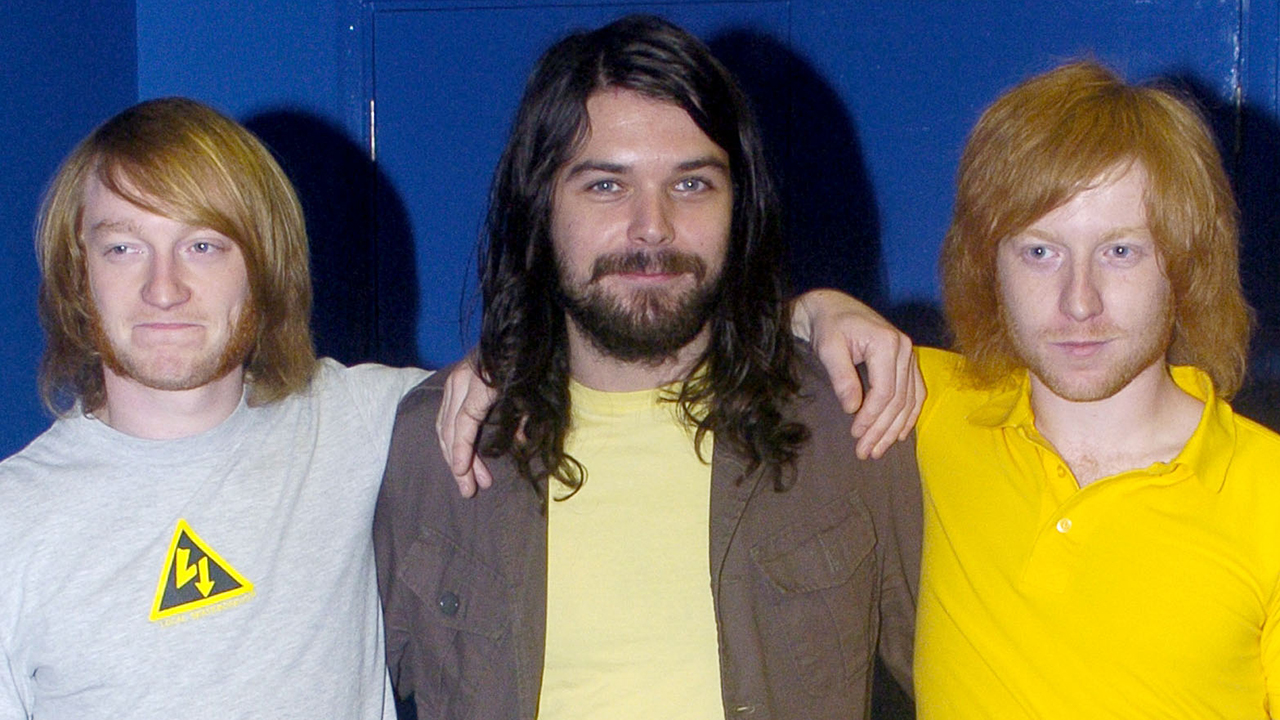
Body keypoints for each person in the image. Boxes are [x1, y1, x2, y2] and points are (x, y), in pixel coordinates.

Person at [374, 15, 922, 719]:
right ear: (541, 207)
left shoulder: (853, 419)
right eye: (606, 186)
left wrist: (809, 312)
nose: (653, 226)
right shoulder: (433, 447)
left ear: (740, 205)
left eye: (692, 185)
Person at [797, 60, 1280, 717]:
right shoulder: (921, 406)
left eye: (1120, 251)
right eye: (1040, 252)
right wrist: (816, 309)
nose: (1078, 302)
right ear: (987, 265)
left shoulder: (1266, 495)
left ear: (1185, 263)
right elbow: (707, 349)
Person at [0, 97, 430, 718]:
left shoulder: (359, 421)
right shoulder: (14, 522)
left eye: (203, 246)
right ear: (78, 272)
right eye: (123, 248)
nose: (163, 289)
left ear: (262, 264)